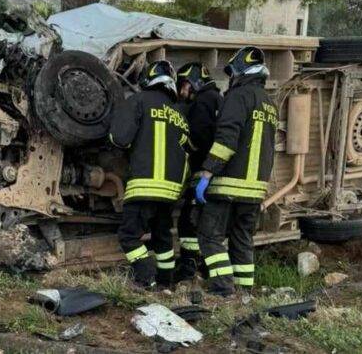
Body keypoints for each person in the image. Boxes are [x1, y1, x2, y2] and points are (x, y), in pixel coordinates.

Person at [194, 46, 278, 297]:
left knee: (209, 235)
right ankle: (244, 291)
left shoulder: (238, 96)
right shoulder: (270, 103)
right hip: (255, 190)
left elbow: (226, 140)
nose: (231, 77)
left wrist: (207, 174)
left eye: (233, 72)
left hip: (229, 184)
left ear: (241, 72)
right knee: (242, 238)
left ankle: (223, 289)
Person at [109, 60, 192, 289]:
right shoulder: (180, 116)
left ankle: (146, 278)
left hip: (144, 186)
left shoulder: (138, 101)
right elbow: (187, 153)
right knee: (162, 237)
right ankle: (167, 282)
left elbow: (119, 138)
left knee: (128, 236)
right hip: (170, 192)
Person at [173, 62, 223, 282]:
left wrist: (185, 144)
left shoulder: (202, 102)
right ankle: (204, 269)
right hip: (217, 172)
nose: (183, 92)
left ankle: (188, 269)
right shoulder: (218, 100)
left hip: (204, 171)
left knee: (188, 222)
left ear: (194, 82)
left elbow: (199, 137)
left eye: (184, 86)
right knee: (206, 225)